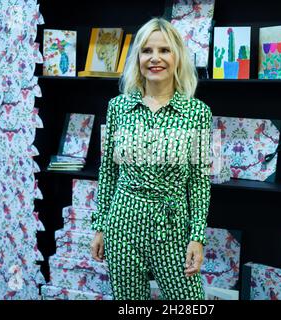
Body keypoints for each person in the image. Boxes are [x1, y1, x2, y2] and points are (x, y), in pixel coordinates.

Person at [90, 17, 212, 300]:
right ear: (138, 58)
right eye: (147, 51)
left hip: (173, 225)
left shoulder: (199, 112)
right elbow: (108, 172)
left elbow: (200, 181)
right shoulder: (118, 107)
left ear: (177, 56)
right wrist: (100, 227)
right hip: (122, 223)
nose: (155, 59)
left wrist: (197, 236)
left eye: (164, 50)